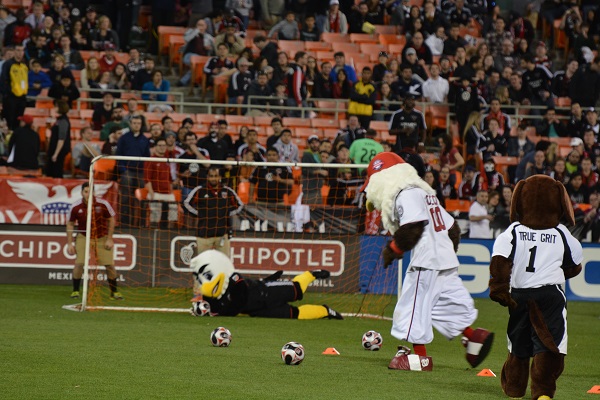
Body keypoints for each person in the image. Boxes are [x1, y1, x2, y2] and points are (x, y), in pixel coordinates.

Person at [361, 152, 494, 371]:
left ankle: (420, 358)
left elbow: (414, 225)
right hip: (443, 257)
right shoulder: (425, 193)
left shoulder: (406, 194)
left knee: (413, 305)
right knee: (440, 303)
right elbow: (453, 228)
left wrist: (393, 249)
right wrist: (446, 252)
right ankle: (474, 337)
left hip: (428, 259)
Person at [190, 250, 343, 319]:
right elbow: (217, 308)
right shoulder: (211, 294)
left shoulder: (234, 278)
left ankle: (312, 274)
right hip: (259, 310)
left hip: (266, 291)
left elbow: (239, 299)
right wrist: (204, 307)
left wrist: (221, 312)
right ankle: (325, 311)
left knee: (296, 289)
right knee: (295, 314)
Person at [66, 182, 122, 300]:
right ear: (82, 193)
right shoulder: (76, 207)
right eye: (86, 192)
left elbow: (111, 219)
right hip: (83, 236)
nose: (88, 194)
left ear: (94, 192)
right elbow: (70, 224)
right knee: (79, 264)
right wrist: (70, 243)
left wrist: (110, 238)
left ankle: (114, 292)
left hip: (101, 237)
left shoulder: (103, 204)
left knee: (110, 265)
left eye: (90, 191)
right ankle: (75, 291)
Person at [183, 166, 243, 260]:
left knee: (223, 263)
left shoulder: (227, 191)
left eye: (216, 176)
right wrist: (199, 214)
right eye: (211, 176)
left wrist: (226, 213)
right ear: (207, 177)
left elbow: (240, 205)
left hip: (222, 234)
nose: (214, 178)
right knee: (203, 264)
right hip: (204, 235)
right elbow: (186, 203)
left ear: (220, 177)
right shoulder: (200, 190)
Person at [144, 137, 177, 228]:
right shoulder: (150, 160)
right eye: (160, 145)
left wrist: (171, 192)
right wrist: (152, 194)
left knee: (172, 218)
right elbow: (147, 179)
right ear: (155, 147)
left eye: (164, 145)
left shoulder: (167, 161)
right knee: (154, 219)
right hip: (156, 193)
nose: (162, 147)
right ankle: (152, 237)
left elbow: (169, 180)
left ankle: (170, 237)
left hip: (168, 194)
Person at [0, 44, 28, 130]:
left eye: (22, 50)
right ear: (14, 52)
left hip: (22, 97)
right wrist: (8, 93)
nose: (20, 53)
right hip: (11, 97)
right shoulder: (8, 64)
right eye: (18, 50)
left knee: (18, 120)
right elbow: (4, 80)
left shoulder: (24, 65)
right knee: (9, 121)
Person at [45, 100, 71, 178]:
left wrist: (56, 154)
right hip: (55, 148)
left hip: (59, 150)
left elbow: (61, 139)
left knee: (56, 170)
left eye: (56, 106)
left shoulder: (63, 121)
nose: (54, 108)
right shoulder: (59, 120)